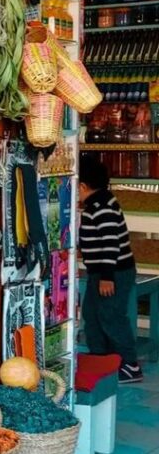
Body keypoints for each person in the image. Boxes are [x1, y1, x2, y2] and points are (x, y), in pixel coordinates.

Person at [79, 154, 142, 383]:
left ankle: (129, 364)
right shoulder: (96, 204)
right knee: (92, 315)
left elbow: (110, 244)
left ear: (82, 186)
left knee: (111, 316)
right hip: (100, 273)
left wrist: (107, 277)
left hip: (113, 273)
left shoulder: (102, 207)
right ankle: (101, 359)